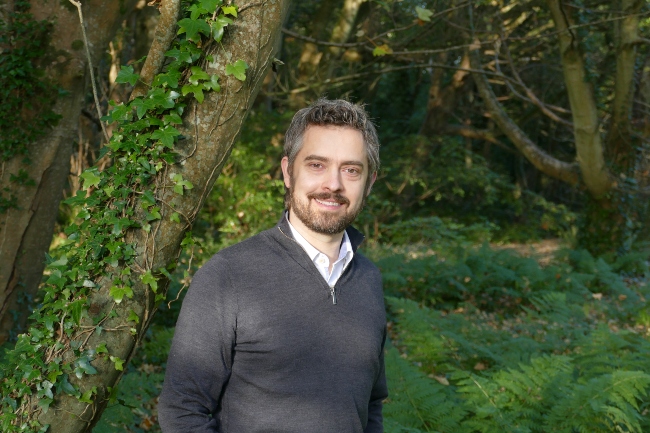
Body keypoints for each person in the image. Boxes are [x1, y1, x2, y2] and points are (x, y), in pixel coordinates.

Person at [158, 98, 388, 433]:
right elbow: (182, 411)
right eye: (317, 165)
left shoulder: (368, 280)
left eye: (351, 170)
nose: (334, 185)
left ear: (369, 182)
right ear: (288, 172)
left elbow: (369, 407)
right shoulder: (229, 275)